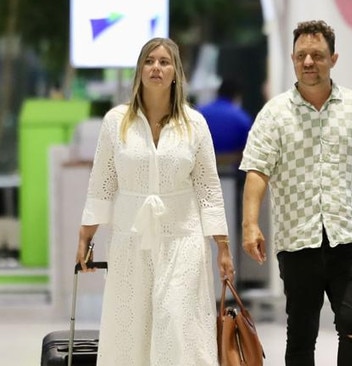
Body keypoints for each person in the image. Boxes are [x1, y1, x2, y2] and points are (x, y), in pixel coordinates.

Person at [239, 20, 352, 366]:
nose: (309, 62)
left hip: (347, 237)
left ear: (333, 59)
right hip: (297, 240)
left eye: (317, 55)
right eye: (301, 56)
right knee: (301, 333)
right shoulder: (274, 114)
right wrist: (251, 225)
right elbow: (257, 172)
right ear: (293, 59)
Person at [75, 37, 234, 365]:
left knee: (176, 321)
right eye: (149, 61)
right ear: (139, 70)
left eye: (164, 62)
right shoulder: (115, 122)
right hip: (130, 240)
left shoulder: (195, 124)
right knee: (131, 328)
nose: (156, 68)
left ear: (176, 72)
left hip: (183, 239)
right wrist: (85, 237)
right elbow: (102, 184)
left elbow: (208, 187)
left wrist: (223, 246)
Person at [198, 78, 253, 168]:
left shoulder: (200, 113)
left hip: (202, 168)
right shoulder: (243, 118)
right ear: (237, 95)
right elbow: (248, 150)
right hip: (234, 173)